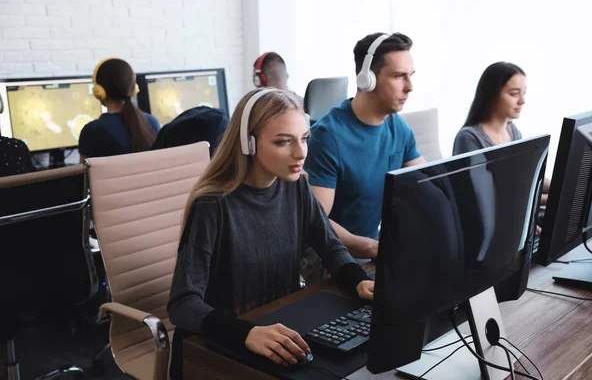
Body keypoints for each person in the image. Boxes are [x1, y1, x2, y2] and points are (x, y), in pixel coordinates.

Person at [167, 88, 374, 378]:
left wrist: (358, 281)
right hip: (227, 344)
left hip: (281, 328)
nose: (301, 152)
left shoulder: (296, 185)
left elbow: (330, 246)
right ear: (248, 144)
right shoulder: (213, 203)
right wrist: (246, 334)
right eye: (283, 142)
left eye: (304, 138)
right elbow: (182, 304)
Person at [303, 32, 426, 260]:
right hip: (330, 259)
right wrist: (371, 248)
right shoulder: (328, 137)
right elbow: (316, 221)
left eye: (411, 76)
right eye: (399, 76)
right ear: (366, 79)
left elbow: (427, 184)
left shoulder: (397, 127)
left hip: (374, 248)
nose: (410, 87)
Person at [453, 62, 550, 204]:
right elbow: (484, 197)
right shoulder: (469, 138)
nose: (522, 101)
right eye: (514, 94)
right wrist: (544, 201)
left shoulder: (513, 132)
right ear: (491, 95)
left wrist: (559, 186)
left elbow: (524, 177)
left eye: (524, 92)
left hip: (513, 214)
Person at [78, 58, 160, 161]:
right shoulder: (151, 122)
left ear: (99, 91)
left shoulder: (92, 131)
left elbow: (83, 175)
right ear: (134, 88)